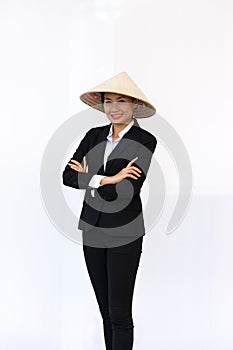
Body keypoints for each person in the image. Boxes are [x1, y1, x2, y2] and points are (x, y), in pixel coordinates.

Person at [62, 71, 157, 349]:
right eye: (108, 102)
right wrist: (110, 178)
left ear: (133, 105)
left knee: (119, 313)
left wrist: (91, 178)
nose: (113, 108)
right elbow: (67, 177)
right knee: (104, 311)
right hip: (91, 229)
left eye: (121, 102)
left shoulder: (144, 140)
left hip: (124, 232)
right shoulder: (93, 136)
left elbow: (127, 192)